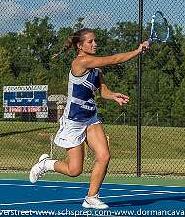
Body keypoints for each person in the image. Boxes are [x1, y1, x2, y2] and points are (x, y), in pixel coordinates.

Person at [29, 28, 149, 210]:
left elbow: (103, 90)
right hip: (74, 121)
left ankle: (91, 197)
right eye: (90, 42)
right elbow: (114, 59)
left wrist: (113, 95)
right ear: (80, 46)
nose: (95, 44)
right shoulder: (81, 63)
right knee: (74, 170)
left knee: (104, 155)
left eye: (95, 41)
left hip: (90, 118)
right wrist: (137, 50)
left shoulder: (95, 69)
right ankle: (46, 163)